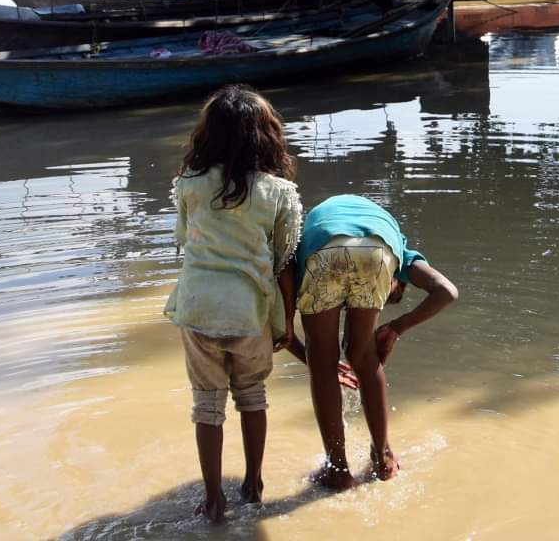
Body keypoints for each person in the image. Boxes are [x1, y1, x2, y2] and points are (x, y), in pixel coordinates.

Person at [164, 85, 326, 524]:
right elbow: (284, 260)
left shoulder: (189, 185)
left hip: (197, 309)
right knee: (252, 397)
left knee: (206, 405)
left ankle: (213, 500)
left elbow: (184, 240)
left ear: (208, 134)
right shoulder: (279, 192)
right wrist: (287, 322)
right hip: (250, 312)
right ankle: (253, 484)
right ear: (266, 136)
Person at [294, 194, 458, 489]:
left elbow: (284, 283)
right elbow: (447, 291)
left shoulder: (328, 223)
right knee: (365, 357)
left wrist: (309, 351)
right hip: (377, 256)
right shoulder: (399, 252)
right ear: (397, 279)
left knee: (322, 364)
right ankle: (383, 459)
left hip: (323, 249)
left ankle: (338, 470)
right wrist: (396, 327)